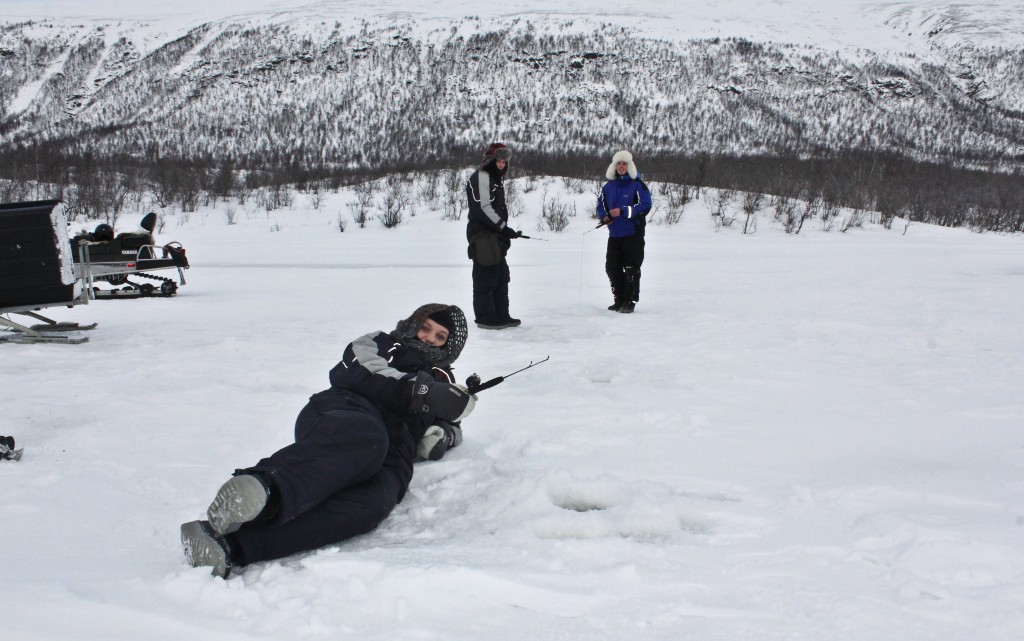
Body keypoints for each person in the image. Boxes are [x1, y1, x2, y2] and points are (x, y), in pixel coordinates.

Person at [181, 304, 476, 578]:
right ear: (413, 324)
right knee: (366, 443)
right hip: (349, 412)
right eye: (425, 327)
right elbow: (357, 368)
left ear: (449, 347)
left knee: (372, 504)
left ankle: (229, 548)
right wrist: (419, 389)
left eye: (440, 336)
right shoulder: (383, 342)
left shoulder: (444, 382)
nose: (429, 338)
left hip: (396, 451)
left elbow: (450, 425)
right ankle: (265, 489)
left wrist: (443, 434)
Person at [466, 142, 522, 330]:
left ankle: (501, 314)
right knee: (486, 277)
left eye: (504, 161)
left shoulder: (495, 179)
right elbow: (483, 207)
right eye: (498, 160)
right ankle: (486, 318)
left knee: (501, 276)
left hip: (493, 235)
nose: (501, 164)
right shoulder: (482, 176)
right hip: (482, 234)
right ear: (491, 160)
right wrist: (503, 227)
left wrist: (504, 230)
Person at [595, 150, 653, 313]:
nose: (621, 166)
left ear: (630, 166)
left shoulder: (637, 184)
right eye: (618, 163)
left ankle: (630, 301)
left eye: (624, 163)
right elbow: (600, 205)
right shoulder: (607, 186)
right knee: (612, 267)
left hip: (633, 233)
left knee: (631, 268)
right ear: (614, 166)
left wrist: (623, 211)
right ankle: (619, 299)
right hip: (615, 235)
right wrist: (604, 216)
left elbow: (646, 205)